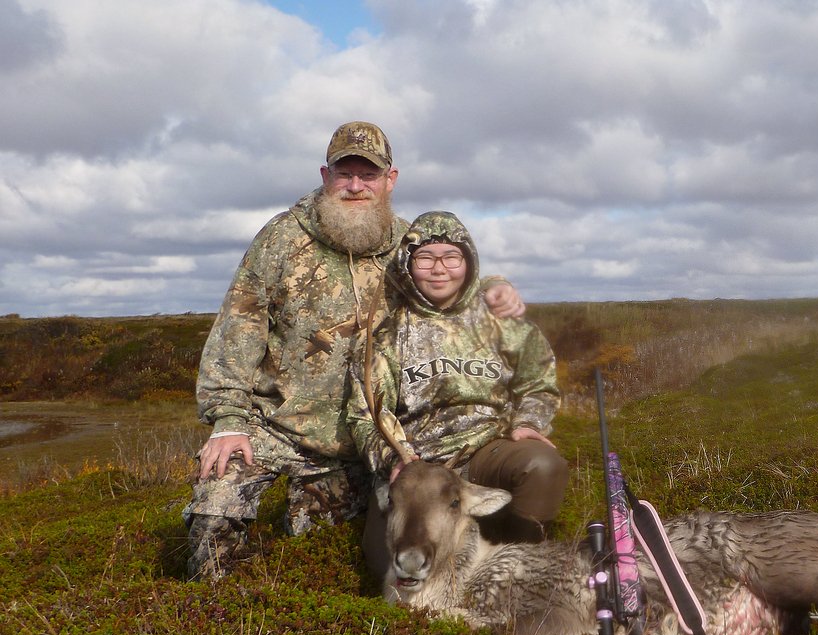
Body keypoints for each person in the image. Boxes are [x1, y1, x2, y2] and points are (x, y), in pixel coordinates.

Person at [183, 122, 524, 581]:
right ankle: (214, 621)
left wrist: (497, 290)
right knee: (214, 510)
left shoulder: (410, 246)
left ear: (391, 179)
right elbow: (238, 327)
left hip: (366, 445)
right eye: (346, 174)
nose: (357, 186)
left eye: (370, 174)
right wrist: (227, 420)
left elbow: (454, 285)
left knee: (325, 560)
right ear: (326, 176)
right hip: (276, 426)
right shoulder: (281, 238)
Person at [346, 210, 569, 579]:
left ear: (468, 263)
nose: (439, 269)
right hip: (416, 464)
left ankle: (518, 568)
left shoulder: (500, 323)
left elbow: (537, 379)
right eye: (426, 258)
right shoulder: (386, 337)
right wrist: (393, 459)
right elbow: (365, 415)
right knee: (386, 566)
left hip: (485, 447)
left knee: (542, 466)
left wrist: (529, 421)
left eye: (451, 257)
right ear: (408, 263)